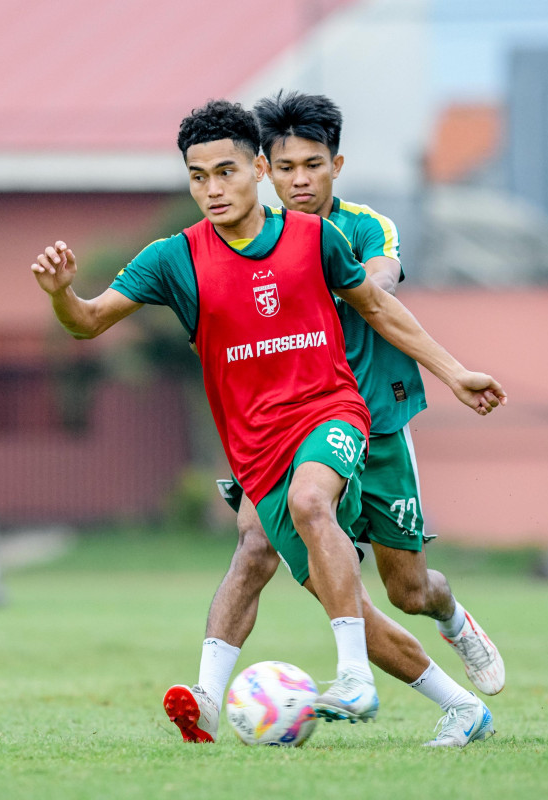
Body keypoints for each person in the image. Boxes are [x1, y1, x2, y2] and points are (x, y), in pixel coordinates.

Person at [29, 100, 504, 748]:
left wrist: (455, 372)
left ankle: (353, 677)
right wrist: (61, 293)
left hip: (339, 410)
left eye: (226, 171)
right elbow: (87, 321)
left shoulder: (321, 237)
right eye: (199, 177)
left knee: (319, 509)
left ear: (255, 170)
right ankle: (459, 707)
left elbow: (379, 304)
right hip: (257, 445)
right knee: (331, 588)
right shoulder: (175, 259)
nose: (212, 188)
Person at [211, 90, 504, 697]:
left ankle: (453, 622)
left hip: (379, 421)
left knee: (409, 591)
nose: (299, 180)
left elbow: (379, 283)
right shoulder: (241, 242)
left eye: (313, 165)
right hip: (292, 432)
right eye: (285, 167)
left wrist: (329, 279)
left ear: (335, 166)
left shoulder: (365, 227)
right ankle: (208, 697)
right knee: (256, 543)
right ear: (264, 169)